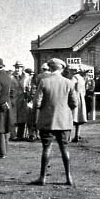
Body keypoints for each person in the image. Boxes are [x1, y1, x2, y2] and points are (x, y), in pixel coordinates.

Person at [30, 58, 78, 186]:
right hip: (64, 122)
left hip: (47, 120)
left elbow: (37, 103)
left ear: (50, 68)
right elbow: (74, 103)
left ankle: (43, 177)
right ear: (62, 68)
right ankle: (68, 177)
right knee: (64, 148)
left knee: (46, 148)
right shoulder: (69, 83)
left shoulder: (44, 82)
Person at [10, 61, 30, 141]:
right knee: (13, 118)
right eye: (16, 67)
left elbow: (28, 88)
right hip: (14, 99)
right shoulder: (11, 77)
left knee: (22, 117)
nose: (17, 69)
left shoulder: (27, 77)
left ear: (22, 68)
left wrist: (27, 97)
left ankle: (20, 135)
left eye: (19, 67)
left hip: (23, 99)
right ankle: (13, 135)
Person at [70, 68, 88, 142]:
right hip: (78, 97)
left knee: (75, 116)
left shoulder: (77, 78)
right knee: (76, 116)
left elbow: (71, 87)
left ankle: (73, 136)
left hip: (77, 97)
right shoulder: (79, 77)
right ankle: (74, 135)